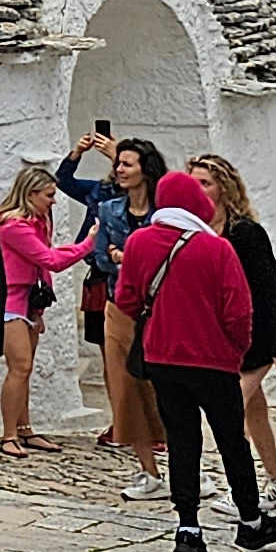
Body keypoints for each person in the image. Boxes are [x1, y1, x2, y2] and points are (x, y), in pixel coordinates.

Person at [114, 169, 276, 552]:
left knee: (181, 440)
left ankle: (188, 527)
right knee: (231, 441)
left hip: (162, 358)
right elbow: (238, 311)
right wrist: (235, 351)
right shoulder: (216, 249)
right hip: (213, 361)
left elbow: (126, 299)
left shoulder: (140, 242)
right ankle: (250, 521)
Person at [188, 153, 276, 488]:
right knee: (254, 411)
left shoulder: (246, 233)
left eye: (205, 182)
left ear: (223, 186)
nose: (198, 189)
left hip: (254, 337)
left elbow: (269, 288)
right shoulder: (195, 231)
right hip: (218, 339)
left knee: (232, 411)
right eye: (193, 182)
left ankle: (241, 489)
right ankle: (275, 480)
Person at [0, 161, 89, 456]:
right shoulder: (13, 225)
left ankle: (24, 429)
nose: (53, 200)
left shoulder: (37, 221)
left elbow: (42, 262)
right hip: (9, 300)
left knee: (25, 369)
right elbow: (50, 260)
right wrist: (88, 245)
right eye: (48, 195)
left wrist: (40, 311)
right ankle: (9, 433)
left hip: (28, 300)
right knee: (19, 367)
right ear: (31, 194)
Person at [94, 141, 168, 493]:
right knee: (126, 389)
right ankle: (149, 470)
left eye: (128, 164)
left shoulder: (166, 212)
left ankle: (188, 467)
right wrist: (121, 258)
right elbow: (100, 259)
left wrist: (127, 256)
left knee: (166, 389)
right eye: (119, 164)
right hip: (120, 308)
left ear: (145, 169)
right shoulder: (109, 210)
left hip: (161, 310)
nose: (120, 170)